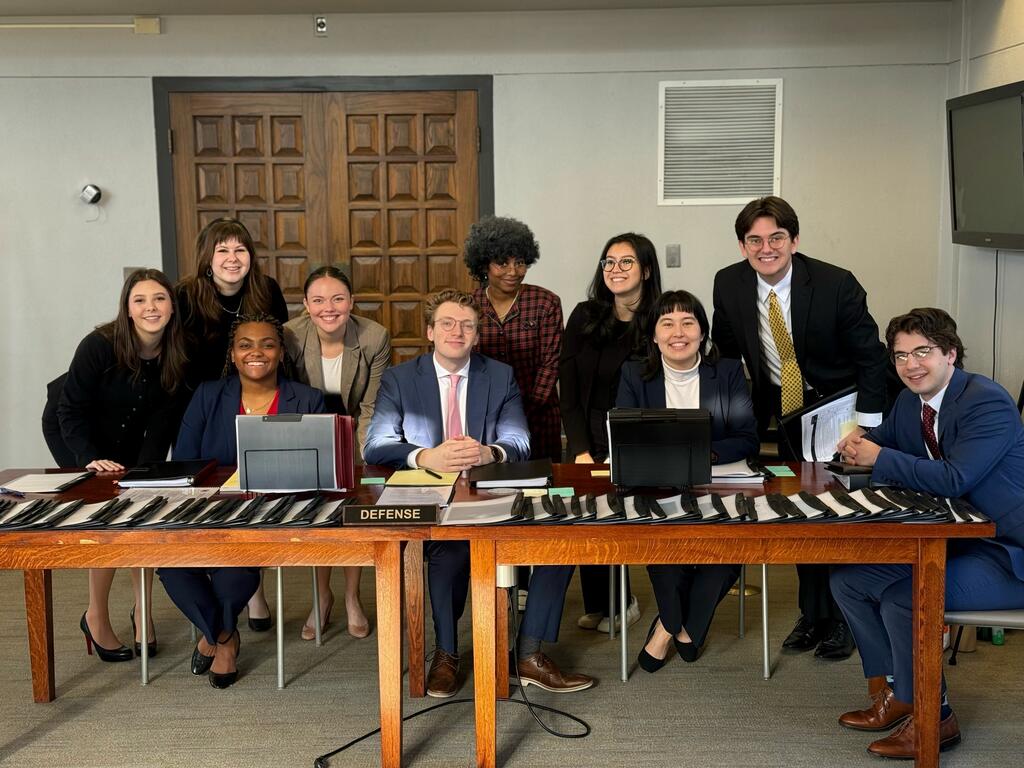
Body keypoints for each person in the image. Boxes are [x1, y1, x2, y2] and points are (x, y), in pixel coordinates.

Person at [364, 290, 593, 698]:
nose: (458, 331)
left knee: (559, 541)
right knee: (447, 553)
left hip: (491, 490)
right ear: (430, 331)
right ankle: (446, 654)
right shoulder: (401, 378)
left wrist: (491, 451)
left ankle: (528, 653)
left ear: (477, 335)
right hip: (432, 494)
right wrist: (425, 456)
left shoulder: (499, 375)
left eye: (468, 325)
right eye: (448, 323)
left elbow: (519, 440)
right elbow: (376, 444)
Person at [831, 308, 1024, 759]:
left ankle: (934, 718)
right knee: (849, 582)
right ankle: (900, 693)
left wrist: (876, 456)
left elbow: (956, 477)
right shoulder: (909, 402)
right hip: (961, 542)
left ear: (951, 354)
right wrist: (859, 440)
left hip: (1009, 551)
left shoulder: (985, 401)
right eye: (900, 356)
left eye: (923, 352)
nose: (911, 365)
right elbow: (889, 440)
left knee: (908, 596)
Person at [711, 196, 890, 660]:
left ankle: (847, 620)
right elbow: (729, 359)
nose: (765, 248)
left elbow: (872, 357)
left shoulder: (835, 283)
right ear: (742, 245)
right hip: (786, 413)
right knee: (801, 510)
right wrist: (733, 426)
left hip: (841, 406)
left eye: (775, 238)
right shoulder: (729, 284)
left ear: (793, 240)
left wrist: (868, 430)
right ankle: (813, 615)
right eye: (755, 240)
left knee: (841, 513)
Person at [161, 314, 325, 689]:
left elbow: (318, 469)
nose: (257, 352)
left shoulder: (309, 400)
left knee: (237, 568)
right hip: (210, 508)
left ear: (281, 353)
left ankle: (217, 640)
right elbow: (185, 461)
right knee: (171, 565)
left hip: (273, 512)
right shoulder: (207, 395)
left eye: (267, 344)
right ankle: (223, 635)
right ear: (233, 355)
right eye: (245, 345)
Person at [49, 268, 188, 662]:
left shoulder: (176, 352)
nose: (151, 308)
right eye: (140, 300)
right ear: (127, 309)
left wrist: (144, 476)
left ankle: (143, 613)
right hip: (76, 434)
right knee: (106, 520)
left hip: (130, 439)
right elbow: (69, 409)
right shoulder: (98, 345)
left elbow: (163, 422)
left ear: (172, 306)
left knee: (139, 512)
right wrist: (88, 459)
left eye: (159, 299)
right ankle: (96, 616)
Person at [616, 290, 758, 671]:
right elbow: (625, 436)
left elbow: (747, 438)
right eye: (667, 323)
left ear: (702, 332)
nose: (678, 332)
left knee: (727, 543)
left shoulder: (726, 371)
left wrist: (703, 455)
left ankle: (668, 626)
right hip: (655, 487)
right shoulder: (634, 374)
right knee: (663, 542)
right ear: (654, 336)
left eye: (688, 322)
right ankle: (685, 626)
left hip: (717, 485)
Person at [177, 217, 289, 631]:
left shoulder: (267, 290)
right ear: (208, 258)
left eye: (239, 250)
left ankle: (253, 590)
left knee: (253, 488)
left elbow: (276, 347)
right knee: (207, 492)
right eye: (222, 250)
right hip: (198, 402)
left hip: (253, 396)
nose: (231, 258)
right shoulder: (186, 296)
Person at [560, 233, 662, 632]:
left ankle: (625, 600)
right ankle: (601, 603)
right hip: (585, 432)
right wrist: (581, 449)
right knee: (585, 517)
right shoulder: (585, 315)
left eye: (626, 262)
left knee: (618, 518)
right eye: (609, 262)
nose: (615, 270)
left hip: (633, 435)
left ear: (646, 270)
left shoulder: (657, 320)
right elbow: (567, 387)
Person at [285, 265, 391, 641]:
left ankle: (351, 597)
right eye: (318, 300)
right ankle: (321, 595)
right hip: (305, 428)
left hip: (354, 427)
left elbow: (370, 406)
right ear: (305, 305)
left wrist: (361, 457)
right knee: (317, 514)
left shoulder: (374, 336)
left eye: (337, 298)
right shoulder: (290, 337)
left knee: (352, 513)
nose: (328, 308)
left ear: (351, 301)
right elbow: (289, 400)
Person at [465, 216, 563, 463]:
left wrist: (521, 411)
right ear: (484, 264)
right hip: (483, 416)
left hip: (539, 416)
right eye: (502, 263)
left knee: (543, 483)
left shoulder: (545, 302)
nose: (512, 272)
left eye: (519, 263)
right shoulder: (468, 305)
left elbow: (550, 364)